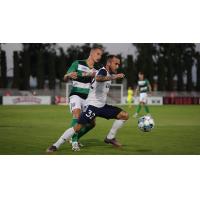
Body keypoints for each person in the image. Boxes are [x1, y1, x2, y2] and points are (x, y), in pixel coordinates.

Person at [47, 55, 129, 152]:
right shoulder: (103, 71)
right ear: (108, 63)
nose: (117, 66)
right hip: (93, 107)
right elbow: (98, 78)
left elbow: (101, 87)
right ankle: (56, 145)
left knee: (124, 115)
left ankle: (110, 137)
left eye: (118, 64)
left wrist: (112, 96)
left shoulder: (107, 74)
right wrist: (115, 76)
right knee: (77, 127)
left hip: (102, 107)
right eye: (115, 64)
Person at [63, 45, 103, 151]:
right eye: (97, 54)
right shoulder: (77, 63)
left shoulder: (98, 69)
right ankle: (74, 142)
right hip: (76, 94)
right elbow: (65, 76)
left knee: (92, 123)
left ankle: (74, 137)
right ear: (91, 52)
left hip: (88, 98)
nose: (99, 57)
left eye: (101, 55)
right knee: (77, 114)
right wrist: (69, 75)